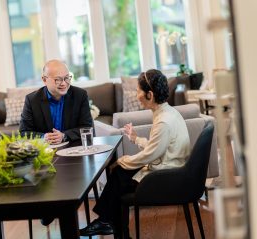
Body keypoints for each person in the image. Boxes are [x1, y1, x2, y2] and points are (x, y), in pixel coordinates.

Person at [79, 69, 191, 237]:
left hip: (168, 176)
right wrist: (136, 138)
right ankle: (109, 223)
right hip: (170, 168)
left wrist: (123, 160)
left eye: (138, 90)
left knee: (118, 174)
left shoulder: (163, 121)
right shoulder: (167, 112)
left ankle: (107, 223)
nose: (136, 94)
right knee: (119, 176)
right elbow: (158, 147)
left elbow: (150, 155)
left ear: (150, 95)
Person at [20, 59, 93, 144]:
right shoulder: (32, 100)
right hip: (47, 151)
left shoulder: (80, 95)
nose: (64, 83)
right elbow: (24, 132)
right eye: (58, 79)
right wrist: (44, 137)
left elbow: (87, 127)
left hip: (74, 147)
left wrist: (64, 135)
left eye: (66, 78)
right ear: (44, 80)